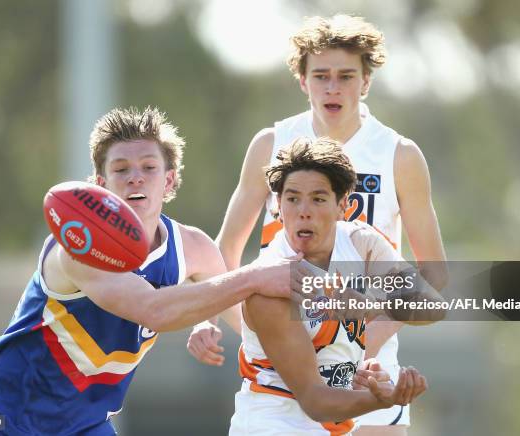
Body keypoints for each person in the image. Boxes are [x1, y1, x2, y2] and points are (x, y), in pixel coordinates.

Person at [0, 106, 309, 435]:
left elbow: (245, 322)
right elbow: (153, 310)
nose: (135, 179)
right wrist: (256, 276)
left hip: (86, 420)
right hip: (9, 409)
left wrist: (326, 353)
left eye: (148, 167)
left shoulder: (194, 248)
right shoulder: (80, 246)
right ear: (100, 183)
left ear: (170, 180)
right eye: (121, 169)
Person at [189, 14, 447, 435]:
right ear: (303, 81)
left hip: (369, 370)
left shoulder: (398, 154)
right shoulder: (271, 144)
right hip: (283, 376)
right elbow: (225, 253)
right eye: (321, 75)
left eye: (346, 76)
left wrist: (359, 344)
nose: (333, 87)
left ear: (365, 82)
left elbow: (432, 275)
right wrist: (221, 321)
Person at [229, 137, 428, 435]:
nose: (303, 211)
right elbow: (316, 402)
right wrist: (381, 399)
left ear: (342, 206)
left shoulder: (360, 242)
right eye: (292, 198)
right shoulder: (269, 283)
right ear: (278, 206)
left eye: (318, 199)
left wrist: (360, 346)